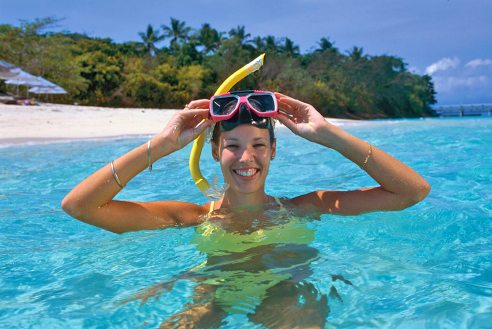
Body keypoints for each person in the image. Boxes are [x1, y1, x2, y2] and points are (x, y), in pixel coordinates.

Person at [62, 91, 430, 327]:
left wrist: (328, 134)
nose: (246, 158)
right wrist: (160, 145)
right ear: (214, 151)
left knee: (297, 315)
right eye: (232, 145)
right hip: (211, 293)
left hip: (287, 293)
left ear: (273, 150)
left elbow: (411, 192)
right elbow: (80, 206)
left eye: (258, 144)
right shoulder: (188, 217)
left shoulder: (307, 207)